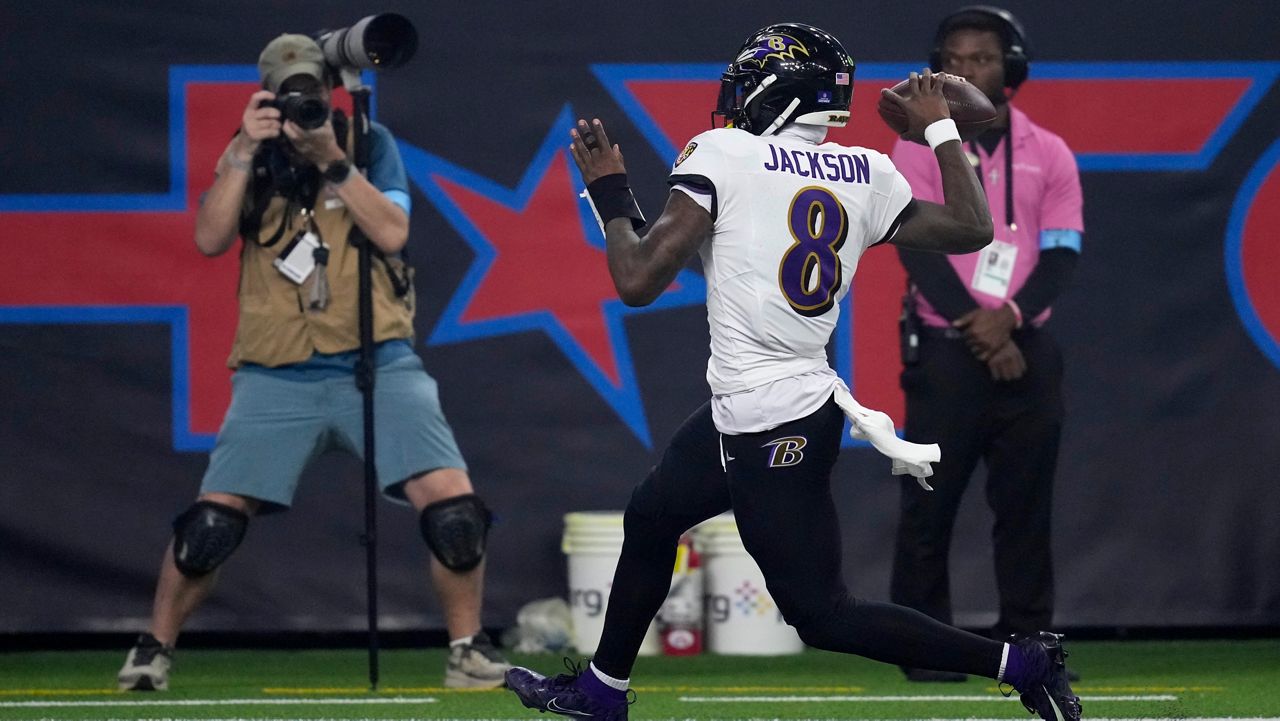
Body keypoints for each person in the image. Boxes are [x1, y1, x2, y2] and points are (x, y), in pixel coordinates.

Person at [504, 23, 1080, 721]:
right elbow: (971, 227)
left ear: (778, 91)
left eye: (749, 84)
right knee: (652, 515)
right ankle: (603, 688)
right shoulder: (867, 171)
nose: (738, 99)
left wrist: (610, 190)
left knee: (823, 613)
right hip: (758, 403)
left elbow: (637, 277)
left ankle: (1021, 661)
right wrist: (940, 132)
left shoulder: (726, 152)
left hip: (772, 420)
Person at [116, 33, 510, 691]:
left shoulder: (366, 142)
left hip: (379, 359)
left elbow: (392, 231)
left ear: (331, 89)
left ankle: (466, 651)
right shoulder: (251, 154)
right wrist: (244, 150)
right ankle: (153, 648)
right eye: (293, 92)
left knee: (455, 512)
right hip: (277, 369)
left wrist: (333, 161)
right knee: (210, 524)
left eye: (315, 91)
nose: (307, 105)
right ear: (269, 92)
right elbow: (210, 237)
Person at [888, 6, 1084, 682]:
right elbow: (915, 246)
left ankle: (1029, 644)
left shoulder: (1050, 151)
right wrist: (980, 325)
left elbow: (1062, 253)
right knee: (928, 502)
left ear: (1012, 70)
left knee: (1026, 507)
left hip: (1027, 345)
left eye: (982, 59)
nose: (965, 70)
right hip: (945, 350)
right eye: (955, 58)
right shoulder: (916, 148)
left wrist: (1010, 322)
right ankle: (924, 649)